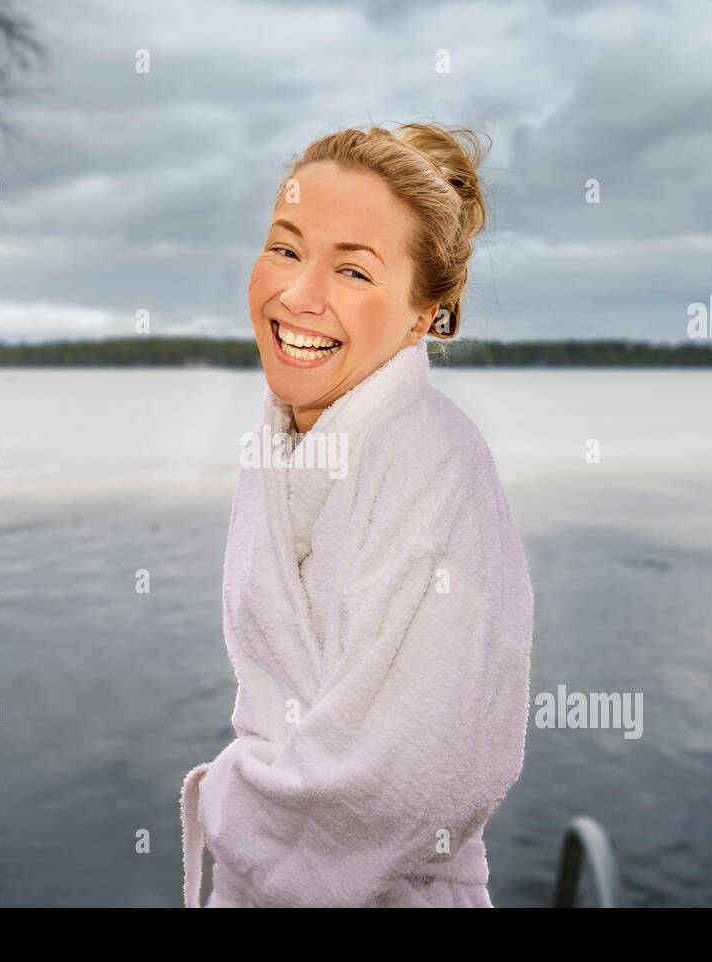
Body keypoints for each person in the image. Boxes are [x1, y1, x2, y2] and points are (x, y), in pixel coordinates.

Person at [180, 121, 534, 907]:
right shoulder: (278, 439)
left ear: (423, 313)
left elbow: (420, 773)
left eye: (353, 270)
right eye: (286, 248)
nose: (298, 295)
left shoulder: (436, 465)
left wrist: (232, 801)